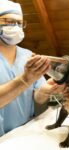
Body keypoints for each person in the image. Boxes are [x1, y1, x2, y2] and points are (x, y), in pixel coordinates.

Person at [0, 0, 64, 136]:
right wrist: (25, 80)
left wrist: (47, 90)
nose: (16, 27)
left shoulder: (27, 56)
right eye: (9, 21)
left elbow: (38, 97)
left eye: (19, 23)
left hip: (22, 133)